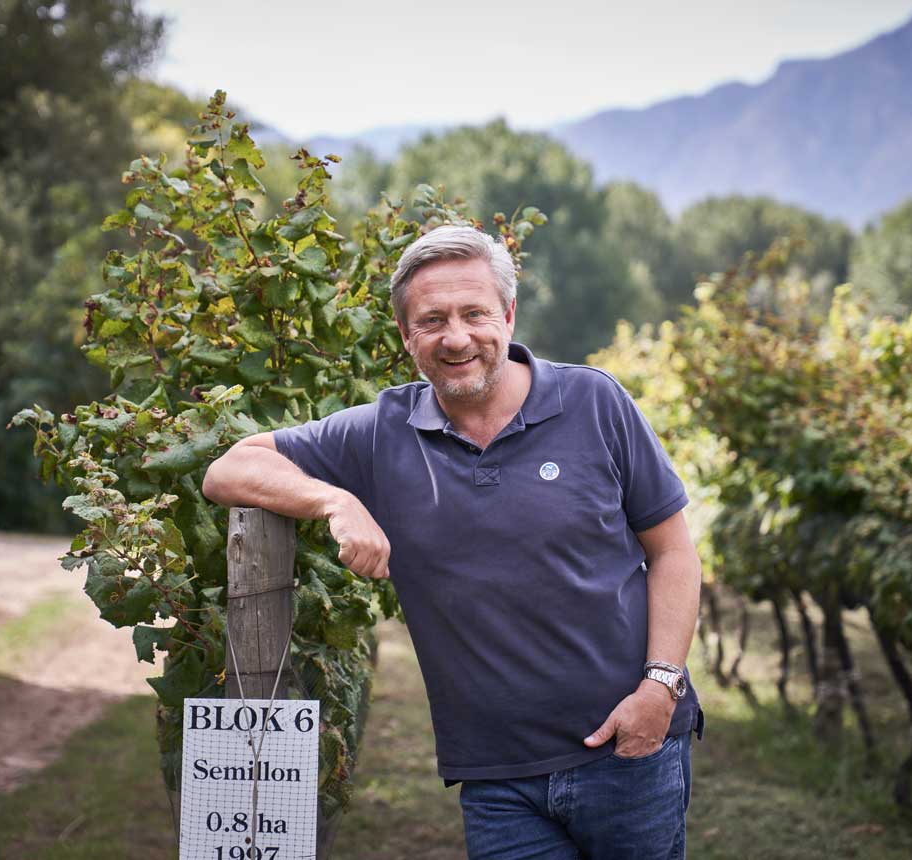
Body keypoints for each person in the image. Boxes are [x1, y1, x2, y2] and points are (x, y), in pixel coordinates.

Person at [202, 224, 704, 859]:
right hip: (496, 779)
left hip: (630, 752)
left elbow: (673, 552)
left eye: (475, 313)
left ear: (509, 315)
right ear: (407, 336)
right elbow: (228, 470)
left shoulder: (593, 402)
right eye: (432, 320)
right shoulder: (383, 431)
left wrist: (660, 690)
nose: (457, 337)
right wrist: (336, 499)